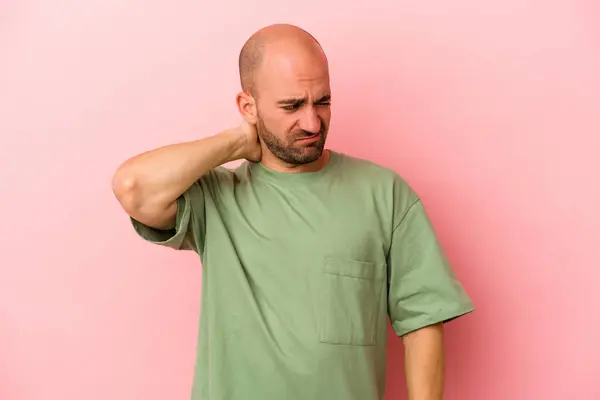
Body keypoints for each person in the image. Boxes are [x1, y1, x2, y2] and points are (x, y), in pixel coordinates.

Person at [111, 23, 475, 400]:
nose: (312, 123)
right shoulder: (216, 199)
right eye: (291, 106)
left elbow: (423, 321)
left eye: (322, 101)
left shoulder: (385, 193)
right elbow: (133, 187)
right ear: (248, 106)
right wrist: (237, 140)